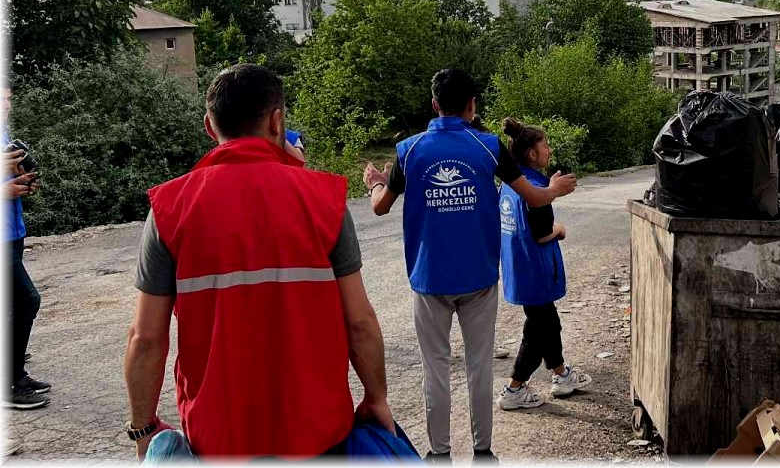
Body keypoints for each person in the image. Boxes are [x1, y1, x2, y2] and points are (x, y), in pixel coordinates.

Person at [123, 64, 395, 460]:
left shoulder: (170, 208)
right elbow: (359, 321)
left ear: (209, 126)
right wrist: (377, 398)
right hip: (318, 433)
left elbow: (145, 339)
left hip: (219, 440)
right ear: (277, 120)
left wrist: (143, 428)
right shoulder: (324, 201)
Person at [363, 69, 577, 463]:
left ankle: (440, 453)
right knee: (479, 366)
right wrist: (556, 190)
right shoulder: (489, 147)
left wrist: (375, 181)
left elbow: (380, 206)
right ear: (472, 106)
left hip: (429, 280)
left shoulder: (409, 150)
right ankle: (482, 452)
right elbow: (534, 197)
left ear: (434, 104)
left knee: (436, 368)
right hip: (479, 277)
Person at [495, 119, 592, 411]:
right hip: (535, 271)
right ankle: (514, 388)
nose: (549, 150)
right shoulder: (535, 188)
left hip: (519, 269)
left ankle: (561, 375)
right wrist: (560, 230)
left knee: (547, 323)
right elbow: (541, 233)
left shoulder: (511, 185)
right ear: (532, 155)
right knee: (538, 329)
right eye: (545, 145)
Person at [2, 78, 50, 411]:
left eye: (9, 98)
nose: (6, 104)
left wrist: (20, 183)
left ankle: (15, 373)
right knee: (27, 300)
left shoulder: (4, 135)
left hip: (13, 231)